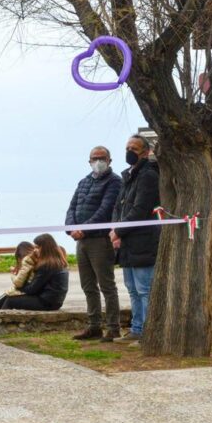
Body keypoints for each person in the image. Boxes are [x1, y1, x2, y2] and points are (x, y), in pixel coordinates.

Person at [65, 146, 123, 342]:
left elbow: (105, 210)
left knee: (107, 285)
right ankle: (94, 326)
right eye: (94, 158)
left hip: (100, 240)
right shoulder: (84, 182)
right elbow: (72, 207)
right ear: (89, 161)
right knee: (88, 285)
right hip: (81, 241)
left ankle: (114, 327)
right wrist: (71, 228)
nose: (98, 161)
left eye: (102, 158)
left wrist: (84, 229)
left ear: (109, 160)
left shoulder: (114, 182)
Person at [110, 135, 160, 344]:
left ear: (146, 152)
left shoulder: (148, 175)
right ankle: (136, 329)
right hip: (127, 244)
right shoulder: (128, 176)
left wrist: (119, 231)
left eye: (135, 148)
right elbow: (119, 207)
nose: (130, 151)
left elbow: (140, 209)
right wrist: (115, 230)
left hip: (143, 241)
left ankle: (148, 332)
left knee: (144, 290)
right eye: (127, 147)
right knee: (132, 289)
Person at [0, 234, 69, 311]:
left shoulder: (47, 265)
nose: (35, 250)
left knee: (10, 301)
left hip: (47, 302)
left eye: (38, 247)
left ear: (46, 248)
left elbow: (32, 290)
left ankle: (1, 321)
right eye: (34, 247)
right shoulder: (58, 262)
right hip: (55, 301)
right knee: (7, 300)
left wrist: (18, 286)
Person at [0, 241, 36, 309]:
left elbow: (18, 283)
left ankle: (3, 318)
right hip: (28, 289)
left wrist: (13, 275)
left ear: (20, 256)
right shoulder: (33, 260)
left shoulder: (27, 262)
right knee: (0, 302)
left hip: (24, 291)